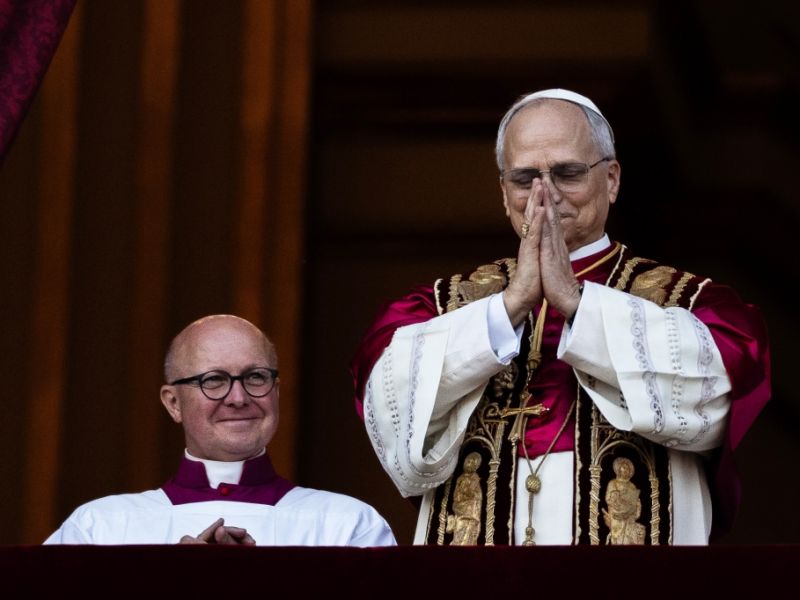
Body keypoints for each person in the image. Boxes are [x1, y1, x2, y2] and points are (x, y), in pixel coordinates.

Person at [350, 88, 770, 546]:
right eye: (524, 177)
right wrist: (509, 306)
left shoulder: (690, 301)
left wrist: (574, 302)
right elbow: (386, 398)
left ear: (611, 179)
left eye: (567, 173)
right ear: (502, 191)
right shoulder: (437, 304)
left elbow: (718, 391)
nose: (544, 194)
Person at [45, 314, 396, 546]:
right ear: (172, 402)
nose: (239, 398)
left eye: (256, 376)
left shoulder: (347, 527)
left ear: (276, 390)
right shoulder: (100, 529)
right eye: (214, 380)